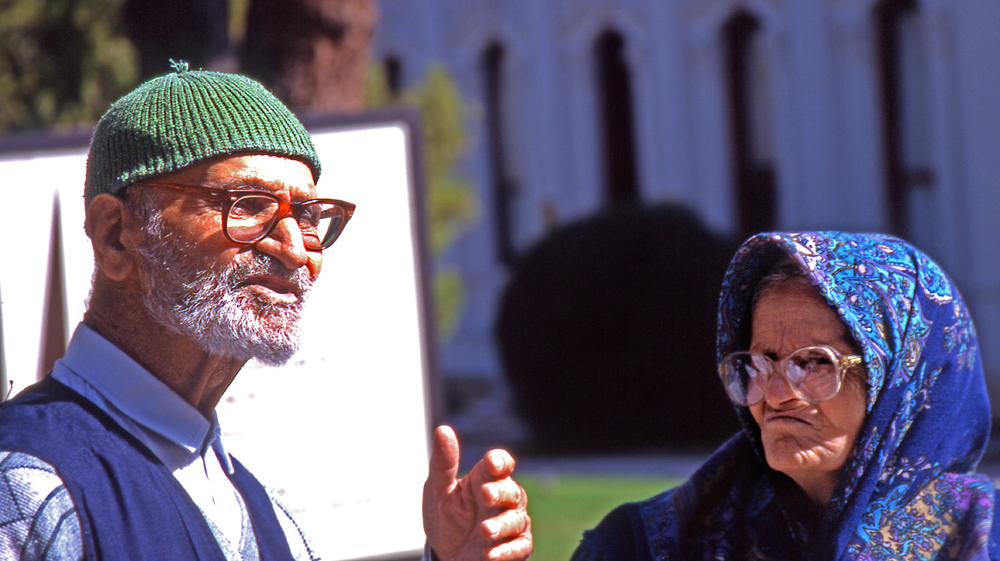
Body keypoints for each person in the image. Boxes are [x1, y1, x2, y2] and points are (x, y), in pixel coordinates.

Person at [0, 64, 532, 561]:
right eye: (248, 205)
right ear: (116, 234)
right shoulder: (30, 487)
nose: (296, 250)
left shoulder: (258, 508)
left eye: (307, 215)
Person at [572, 231, 999, 560]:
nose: (775, 395)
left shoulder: (982, 537)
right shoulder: (641, 544)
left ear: (906, 384)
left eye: (813, 362)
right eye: (761, 361)